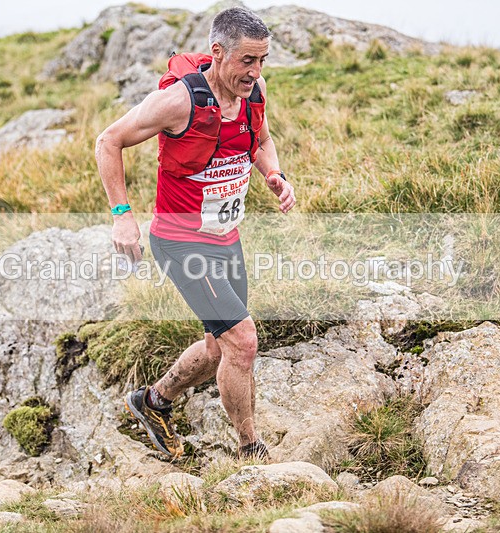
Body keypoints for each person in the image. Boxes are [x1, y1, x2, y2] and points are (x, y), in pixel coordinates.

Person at [94, 6, 296, 460]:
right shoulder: (178, 102)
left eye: (262, 60)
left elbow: (262, 141)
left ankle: (153, 401)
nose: (256, 71)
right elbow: (108, 140)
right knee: (242, 342)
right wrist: (122, 215)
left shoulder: (254, 92)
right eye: (247, 60)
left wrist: (274, 174)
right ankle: (250, 450)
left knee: (217, 346)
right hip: (181, 242)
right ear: (217, 52)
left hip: (226, 237)